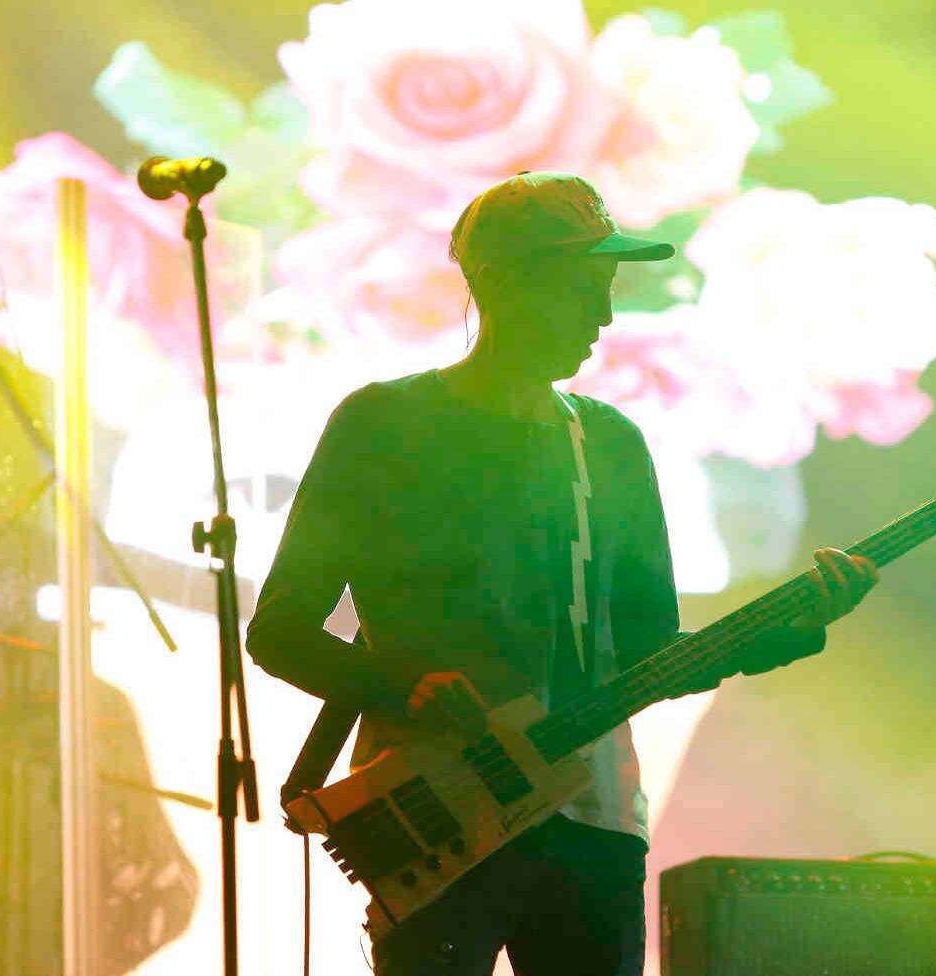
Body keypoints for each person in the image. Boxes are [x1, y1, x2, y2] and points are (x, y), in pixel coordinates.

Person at [245, 171, 878, 976]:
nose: (605, 314)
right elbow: (281, 631)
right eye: (585, 286)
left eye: (607, 287)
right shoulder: (383, 427)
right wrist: (406, 689)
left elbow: (652, 654)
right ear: (504, 282)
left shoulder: (611, 444)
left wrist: (786, 630)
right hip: (443, 813)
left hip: (595, 823)